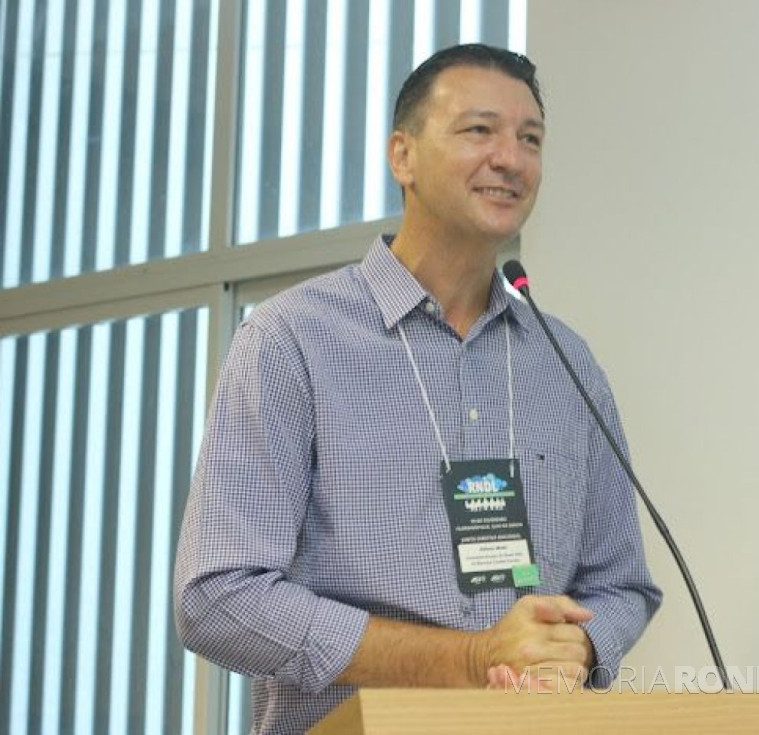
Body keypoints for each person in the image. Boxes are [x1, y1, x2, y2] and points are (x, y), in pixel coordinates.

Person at [174, 43, 661, 733]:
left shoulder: (566, 362)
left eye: (531, 139)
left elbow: (621, 584)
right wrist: (469, 658)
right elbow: (218, 598)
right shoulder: (292, 340)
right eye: (479, 130)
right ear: (402, 156)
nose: (511, 159)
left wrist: (573, 647)